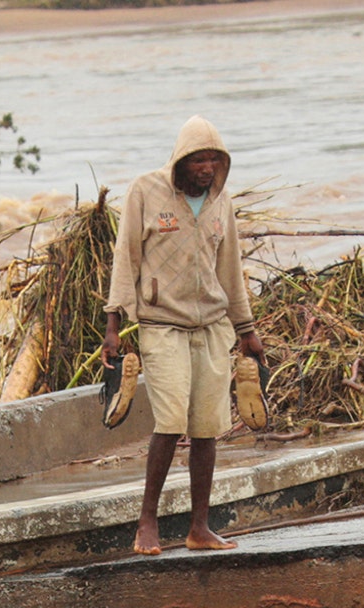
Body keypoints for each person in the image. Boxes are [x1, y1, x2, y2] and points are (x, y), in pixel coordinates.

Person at [102, 116, 267, 556]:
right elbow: (126, 258)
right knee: (171, 421)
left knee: (208, 427)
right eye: (198, 160)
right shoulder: (145, 192)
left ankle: (199, 527)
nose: (207, 168)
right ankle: (147, 523)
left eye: (214, 160)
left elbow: (230, 269)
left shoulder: (221, 203)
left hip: (212, 328)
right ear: (181, 161)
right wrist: (113, 323)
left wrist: (247, 330)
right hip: (162, 325)